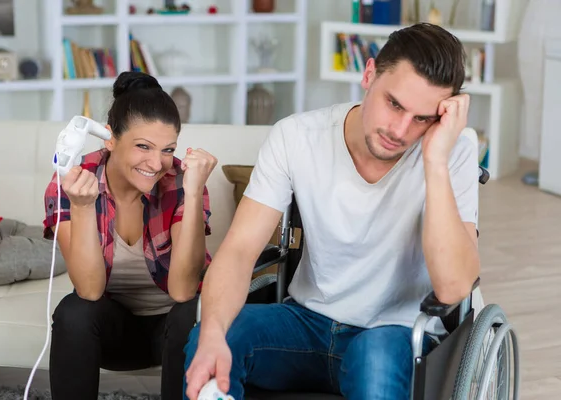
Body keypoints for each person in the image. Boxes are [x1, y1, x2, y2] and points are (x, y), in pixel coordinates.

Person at [184, 23, 480, 400]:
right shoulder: (295, 136)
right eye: (394, 104)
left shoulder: (454, 152)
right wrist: (212, 334)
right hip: (305, 322)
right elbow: (240, 250)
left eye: (422, 118)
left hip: (393, 334)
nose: (401, 130)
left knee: (372, 358)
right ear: (369, 74)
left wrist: (435, 160)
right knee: (212, 336)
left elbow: (454, 287)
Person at [43, 71, 218, 400]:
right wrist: (81, 208)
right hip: (116, 333)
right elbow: (90, 290)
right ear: (110, 138)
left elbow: (182, 290)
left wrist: (193, 194)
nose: (156, 163)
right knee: (73, 312)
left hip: (179, 332)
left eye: (167, 149)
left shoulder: (180, 180)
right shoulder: (74, 179)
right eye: (143, 146)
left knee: (188, 312)